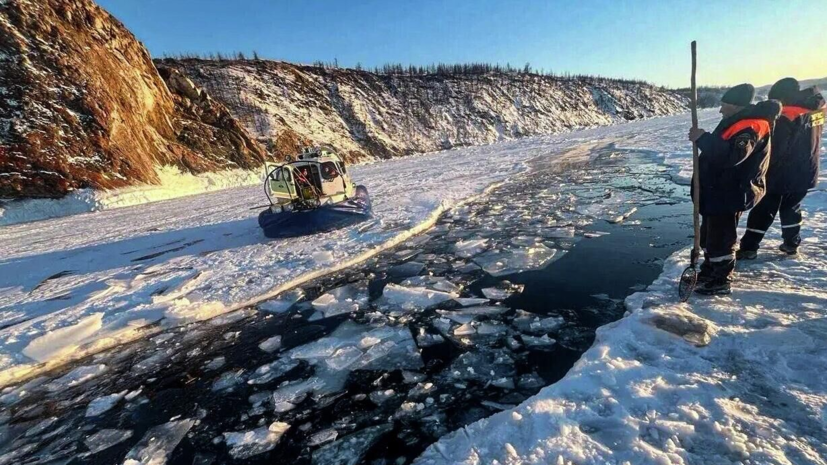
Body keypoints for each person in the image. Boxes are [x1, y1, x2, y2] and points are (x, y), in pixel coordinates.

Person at [688, 84, 781, 295]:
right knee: (710, 236)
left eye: (724, 105)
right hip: (718, 191)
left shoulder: (751, 127)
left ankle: (721, 280)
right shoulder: (738, 122)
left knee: (721, 239)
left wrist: (703, 138)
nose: (721, 110)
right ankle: (710, 270)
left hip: (729, 192)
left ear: (736, 106)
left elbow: (732, 156)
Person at [738, 78, 825, 258]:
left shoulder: (786, 115)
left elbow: (777, 146)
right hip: (807, 169)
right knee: (791, 207)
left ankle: (749, 247)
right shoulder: (817, 110)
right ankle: (791, 243)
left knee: (763, 208)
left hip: (781, 171)